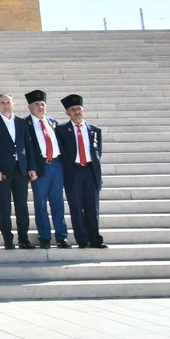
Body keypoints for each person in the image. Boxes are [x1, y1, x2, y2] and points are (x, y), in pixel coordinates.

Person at [0, 93, 37, 250]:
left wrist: (32, 167)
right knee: (4, 207)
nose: (6, 105)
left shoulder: (21, 123)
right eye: (2, 102)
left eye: (8, 102)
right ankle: (8, 239)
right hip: (3, 173)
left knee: (22, 206)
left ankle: (23, 238)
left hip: (21, 171)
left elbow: (29, 146)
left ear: (13, 104)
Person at [56, 93, 106, 249]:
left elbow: (98, 152)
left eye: (79, 108)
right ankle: (82, 240)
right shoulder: (62, 130)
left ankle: (95, 239)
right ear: (67, 113)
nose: (77, 111)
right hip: (73, 172)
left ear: (83, 109)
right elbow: (62, 153)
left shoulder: (94, 130)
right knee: (76, 207)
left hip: (90, 171)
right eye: (73, 109)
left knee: (92, 207)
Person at [25, 89, 70, 249]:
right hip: (39, 168)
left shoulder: (53, 122)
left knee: (58, 202)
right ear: (30, 107)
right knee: (41, 204)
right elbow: (26, 149)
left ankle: (61, 236)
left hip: (57, 165)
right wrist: (31, 167)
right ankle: (45, 236)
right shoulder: (25, 124)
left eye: (42, 103)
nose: (40, 106)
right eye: (36, 104)